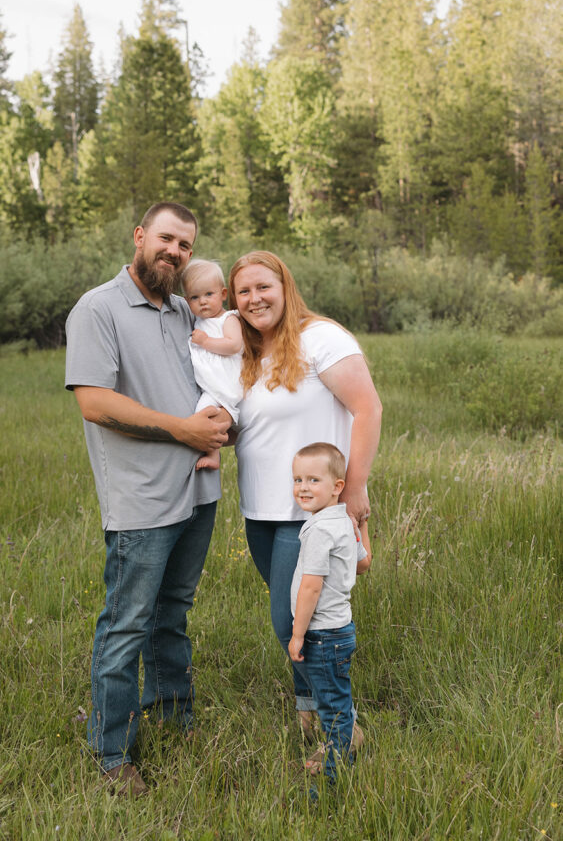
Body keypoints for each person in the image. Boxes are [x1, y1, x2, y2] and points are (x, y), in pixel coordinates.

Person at [65, 202, 231, 797]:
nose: (175, 252)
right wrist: (184, 430)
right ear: (139, 236)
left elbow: (220, 376)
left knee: (174, 612)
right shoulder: (99, 307)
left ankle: (172, 716)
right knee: (126, 622)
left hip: (197, 490)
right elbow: (95, 403)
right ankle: (112, 752)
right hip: (141, 499)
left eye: (186, 245)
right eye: (166, 239)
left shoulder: (186, 309)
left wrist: (222, 420)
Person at [228, 250, 382, 741]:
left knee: (296, 620)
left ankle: (345, 728)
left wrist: (353, 489)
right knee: (293, 618)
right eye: (244, 292)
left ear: (284, 286)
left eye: (263, 287)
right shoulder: (250, 353)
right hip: (261, 512)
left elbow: (368, 408)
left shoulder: (321, 338)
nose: (255, 299)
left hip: (311, 514)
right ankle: (308, 714)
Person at [288, 442, 372, 785]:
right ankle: (341, 751)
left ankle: (334, 776)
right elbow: (364, 563)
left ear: (338, 487)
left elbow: (311, 587)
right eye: (297, 480)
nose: (303, 487)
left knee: (332, 707)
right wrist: (361, 524)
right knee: (337, 695)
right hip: (341, 631)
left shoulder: (321, 530)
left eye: (313, 480)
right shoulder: (341, 522)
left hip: (322, 635)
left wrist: (297, 633)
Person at [181, 259, 244, 470]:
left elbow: (234, 345)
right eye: (195, 297)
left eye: (209, 294)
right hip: (210, 385)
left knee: (208, 416)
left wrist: (206, 342)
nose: (203, 302)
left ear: (223, 294)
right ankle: (213, 454)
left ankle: (213, 454)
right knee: (202, 414)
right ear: (186, 301)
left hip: (226, 380)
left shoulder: (228, 319)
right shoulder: (197, 322)